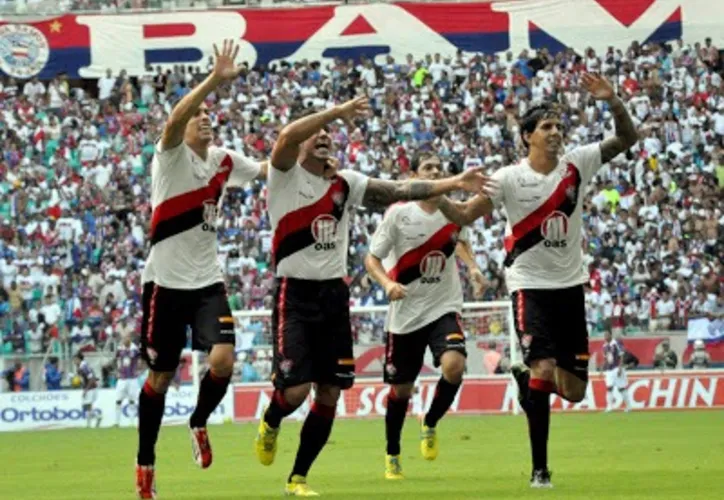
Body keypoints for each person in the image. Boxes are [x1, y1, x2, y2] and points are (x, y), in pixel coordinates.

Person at [253, 98, 489, 496]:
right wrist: (335, 112)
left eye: (329, 133)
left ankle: (298, 477)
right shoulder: (284, 174)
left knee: (329, 391)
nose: (325, 135)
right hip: (293, 293)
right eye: (318, 133)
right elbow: (287, 136)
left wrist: (452, 184)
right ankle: (272, 419)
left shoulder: (346, 182)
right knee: (294, 392)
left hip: (333, 294)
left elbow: (399, 188)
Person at [436, 73, 638, 487]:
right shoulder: (508, 178)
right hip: (529, 286)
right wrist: (433, 190)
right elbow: (461, 216)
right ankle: (540, 470)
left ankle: (527, 380)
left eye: (558, 126)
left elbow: (627, 139)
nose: (555, 132)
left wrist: (613, 100)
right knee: (543, 364)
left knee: (576, 390)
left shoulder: (578, 163)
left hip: (570, 287)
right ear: (527, 136)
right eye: (546, 126)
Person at [135, 40, 267, 499]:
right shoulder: (169, 156)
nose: (206, 118)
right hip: (165, 285)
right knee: (160, 378)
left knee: (224, 360)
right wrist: (213, 79)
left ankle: (198, 421)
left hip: (207, 281)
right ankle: (146, 463)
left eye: (210, 114)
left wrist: (301, 146)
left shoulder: (225, 160)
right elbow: (173, 121)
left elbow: (269, 168)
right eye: (199, 115)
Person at [363, 151, 485, 479]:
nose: (434, 171)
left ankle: (430, 421)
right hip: (405, 314)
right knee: (401, 390)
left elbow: (460, 243)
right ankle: (392, 453)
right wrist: (387, 283)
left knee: (455, 365)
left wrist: (472, 269)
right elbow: (371, 259)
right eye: (427, 168)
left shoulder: (454, 212)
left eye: (438, 167)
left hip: (443, 306)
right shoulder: (399, 215)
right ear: (415, 175)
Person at [114, 334, 141, 426]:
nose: (125, 340)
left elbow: (141, 360)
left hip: (132, 379)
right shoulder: (120, 349)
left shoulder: (135, 349)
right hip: (122, 378)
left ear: (130, 339)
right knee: (118, 400)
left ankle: (132, 422)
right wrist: (117, 370)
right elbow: (116, 360)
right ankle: (117, 422)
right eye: (124, 338)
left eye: (127, 337)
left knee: (132, 400)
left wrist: (139, 370)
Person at [601, 331, 631, 413]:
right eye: (604, 335)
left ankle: (628, 406)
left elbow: (621, 355)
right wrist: (602, 369)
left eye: (607, 335)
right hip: (609, 370)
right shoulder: (604, 346)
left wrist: (620, 368)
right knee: (609, 388)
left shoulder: (616, 343)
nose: (605, 337)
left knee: (621, 388)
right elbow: (605, 359)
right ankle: (609, 407)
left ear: (610, 335)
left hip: (616, 368)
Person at [74, 352, 102, 428]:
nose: (74, 361)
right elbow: (89, 377)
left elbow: (91, 378)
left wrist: (86, 390)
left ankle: (93, 421)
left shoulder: (84, 367)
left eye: (75, 359)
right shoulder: (81, 366)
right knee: (87, 406)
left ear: (79, 359)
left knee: (86, 406)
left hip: (90, 388)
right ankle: (93, 420)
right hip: (90, 387)